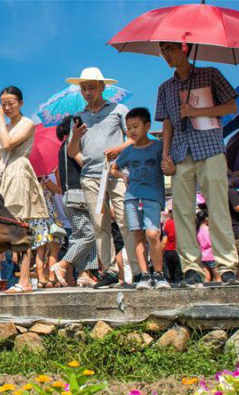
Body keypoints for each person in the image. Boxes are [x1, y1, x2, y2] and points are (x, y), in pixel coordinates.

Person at [156, 41, 239, 288]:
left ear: (185, 48)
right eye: (162, 51)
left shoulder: (210, 74)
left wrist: (196, 111)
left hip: (210, 147)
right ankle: (191, 268)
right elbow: (167, 122)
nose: (166, 55)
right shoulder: (165, 88)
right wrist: (165, 154)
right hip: (181, 152)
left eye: (170, 48)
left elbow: (231, 106)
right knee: (181, 212)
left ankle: (226, 268)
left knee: (218, 209)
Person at [66, 67, 137, 289]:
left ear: (103, 87)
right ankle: (110, 271)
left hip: (117, 173)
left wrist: (119, 150)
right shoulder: (78, 117)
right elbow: (71, 151)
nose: (87, 91)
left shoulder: (119, 110)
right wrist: (78, 145)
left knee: (126, 221)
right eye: (84, 88)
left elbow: (135, 137)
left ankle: (137, 270)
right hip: (90, 177)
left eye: (91, 87)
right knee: (99, 224)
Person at [0, 86, 47, 294]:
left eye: (10, 103)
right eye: (3, 104)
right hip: (3, 176)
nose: (6, 108)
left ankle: (24, 281)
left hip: (18, 173)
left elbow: (6, 145)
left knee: (19, 227)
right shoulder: (5, 127)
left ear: (21, 103)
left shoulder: (27, 124)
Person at [110, 107, 170, 290]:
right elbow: (113, 168)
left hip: (152, 195)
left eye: (135, 126)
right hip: (131, 196)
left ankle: (159, 274)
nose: (132, 131)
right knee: (137, 235)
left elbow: (167, 162)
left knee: (153, 233)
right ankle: (144, 275)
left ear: (147, 126)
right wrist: (123, 177)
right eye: (128, 128)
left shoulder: (158, 147)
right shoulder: (128, 151)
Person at [51, 116, 99, 288]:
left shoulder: (62, 147)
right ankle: (63, 264)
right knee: (89, 233)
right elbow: (87, 166)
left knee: (86, 233)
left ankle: (84, 273)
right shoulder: (73, 145)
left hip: (70, 196)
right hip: (77, 195)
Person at [162, 202, 183, 284]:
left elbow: (164, 240)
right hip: (178, 251)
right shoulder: (181, 222)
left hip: (168, 251)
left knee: (170, 274)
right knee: (179, 273)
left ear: (170, 213)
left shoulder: (167, 223)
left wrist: (161, 251)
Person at [196, 210, 220, 282]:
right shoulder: (209, 230)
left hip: (202, 256)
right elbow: (211, 242)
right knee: (218, 277)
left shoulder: (197, 230)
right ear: (206, 218)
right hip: (211, 255)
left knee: (207, 277)